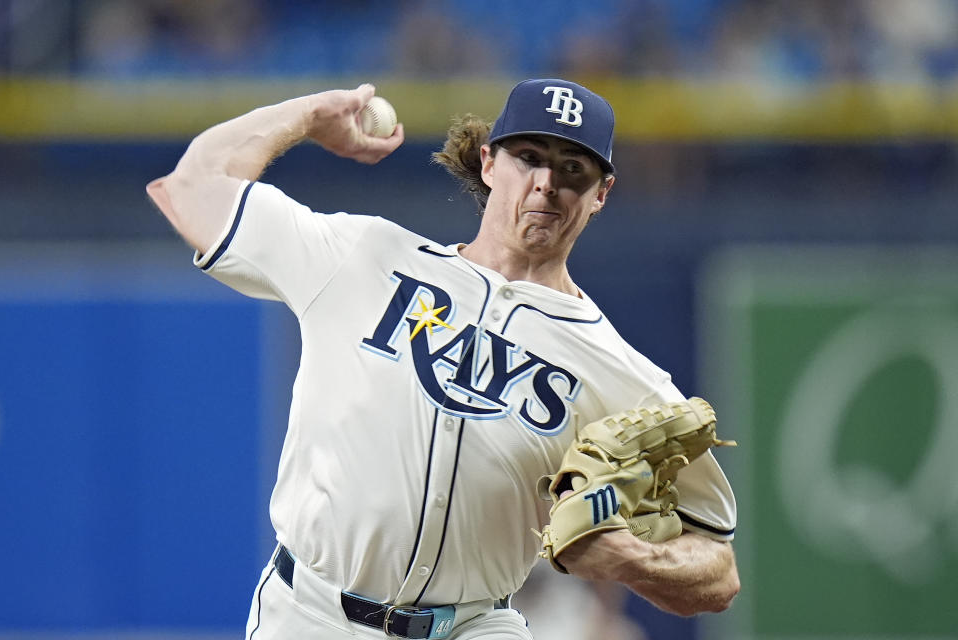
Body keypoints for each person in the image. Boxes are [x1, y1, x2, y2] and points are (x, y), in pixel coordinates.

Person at [146, 78, 739, 640]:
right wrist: (308, 116)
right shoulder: (364, 256)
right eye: (528, 156)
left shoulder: (622, 373)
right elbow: (190, 188)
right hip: (308, 614)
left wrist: (634, 558)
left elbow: (718, 572)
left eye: (573, 169)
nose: (546, 183)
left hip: (472, 624)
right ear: (488, 163)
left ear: (600, 194)